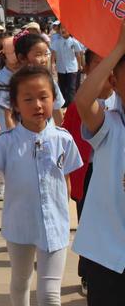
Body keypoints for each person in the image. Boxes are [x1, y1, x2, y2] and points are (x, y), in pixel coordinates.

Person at [0, 65, 83, 306]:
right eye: (28, 99)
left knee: (50, 293)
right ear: (16, 104)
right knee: (21, 281)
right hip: (19, 226)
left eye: (44, 97)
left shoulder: (64, 139)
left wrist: (65, 212)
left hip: (56, 227)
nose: (38, 105)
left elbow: (66, 180)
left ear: (54, 99)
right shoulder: (6, 142)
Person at [72, 22, 125, 305]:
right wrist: (118, 49)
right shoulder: (110, 124)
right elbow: (83, 100)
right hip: (107, 252)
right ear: (114, 82)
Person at [62, 49, 116, 296]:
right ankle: (87, 273)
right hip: (90, 174)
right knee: (89, 223)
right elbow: (82, 104)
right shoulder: (92, 112)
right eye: (100, 64)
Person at [0, 32, 65, 127]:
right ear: (22, 58)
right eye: (38, 55)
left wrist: (60, 134)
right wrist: (14, 139)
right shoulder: (14, 83)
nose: (44, 59)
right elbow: (9, 116)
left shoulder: (49, 81)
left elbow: (57, 110)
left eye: (45, 54)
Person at [0, 36, 20, 201]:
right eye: (12, 52)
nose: (16, 56)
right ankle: (2, 182)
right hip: (2, 124)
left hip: (24, 124)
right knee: (3, 156)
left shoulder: (27, 74)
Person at [50, 24, 83, 107]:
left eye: (65, 28)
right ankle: (64, 103)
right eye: (61, 28)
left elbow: (78, 54)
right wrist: (52, 64)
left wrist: (79, 65)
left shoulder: (74, 42)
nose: (63, 30)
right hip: (61, 67)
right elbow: (53, 54)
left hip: (72, 68)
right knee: (62, 86)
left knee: (71, 87)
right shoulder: (56, 42)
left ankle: (71, 105)